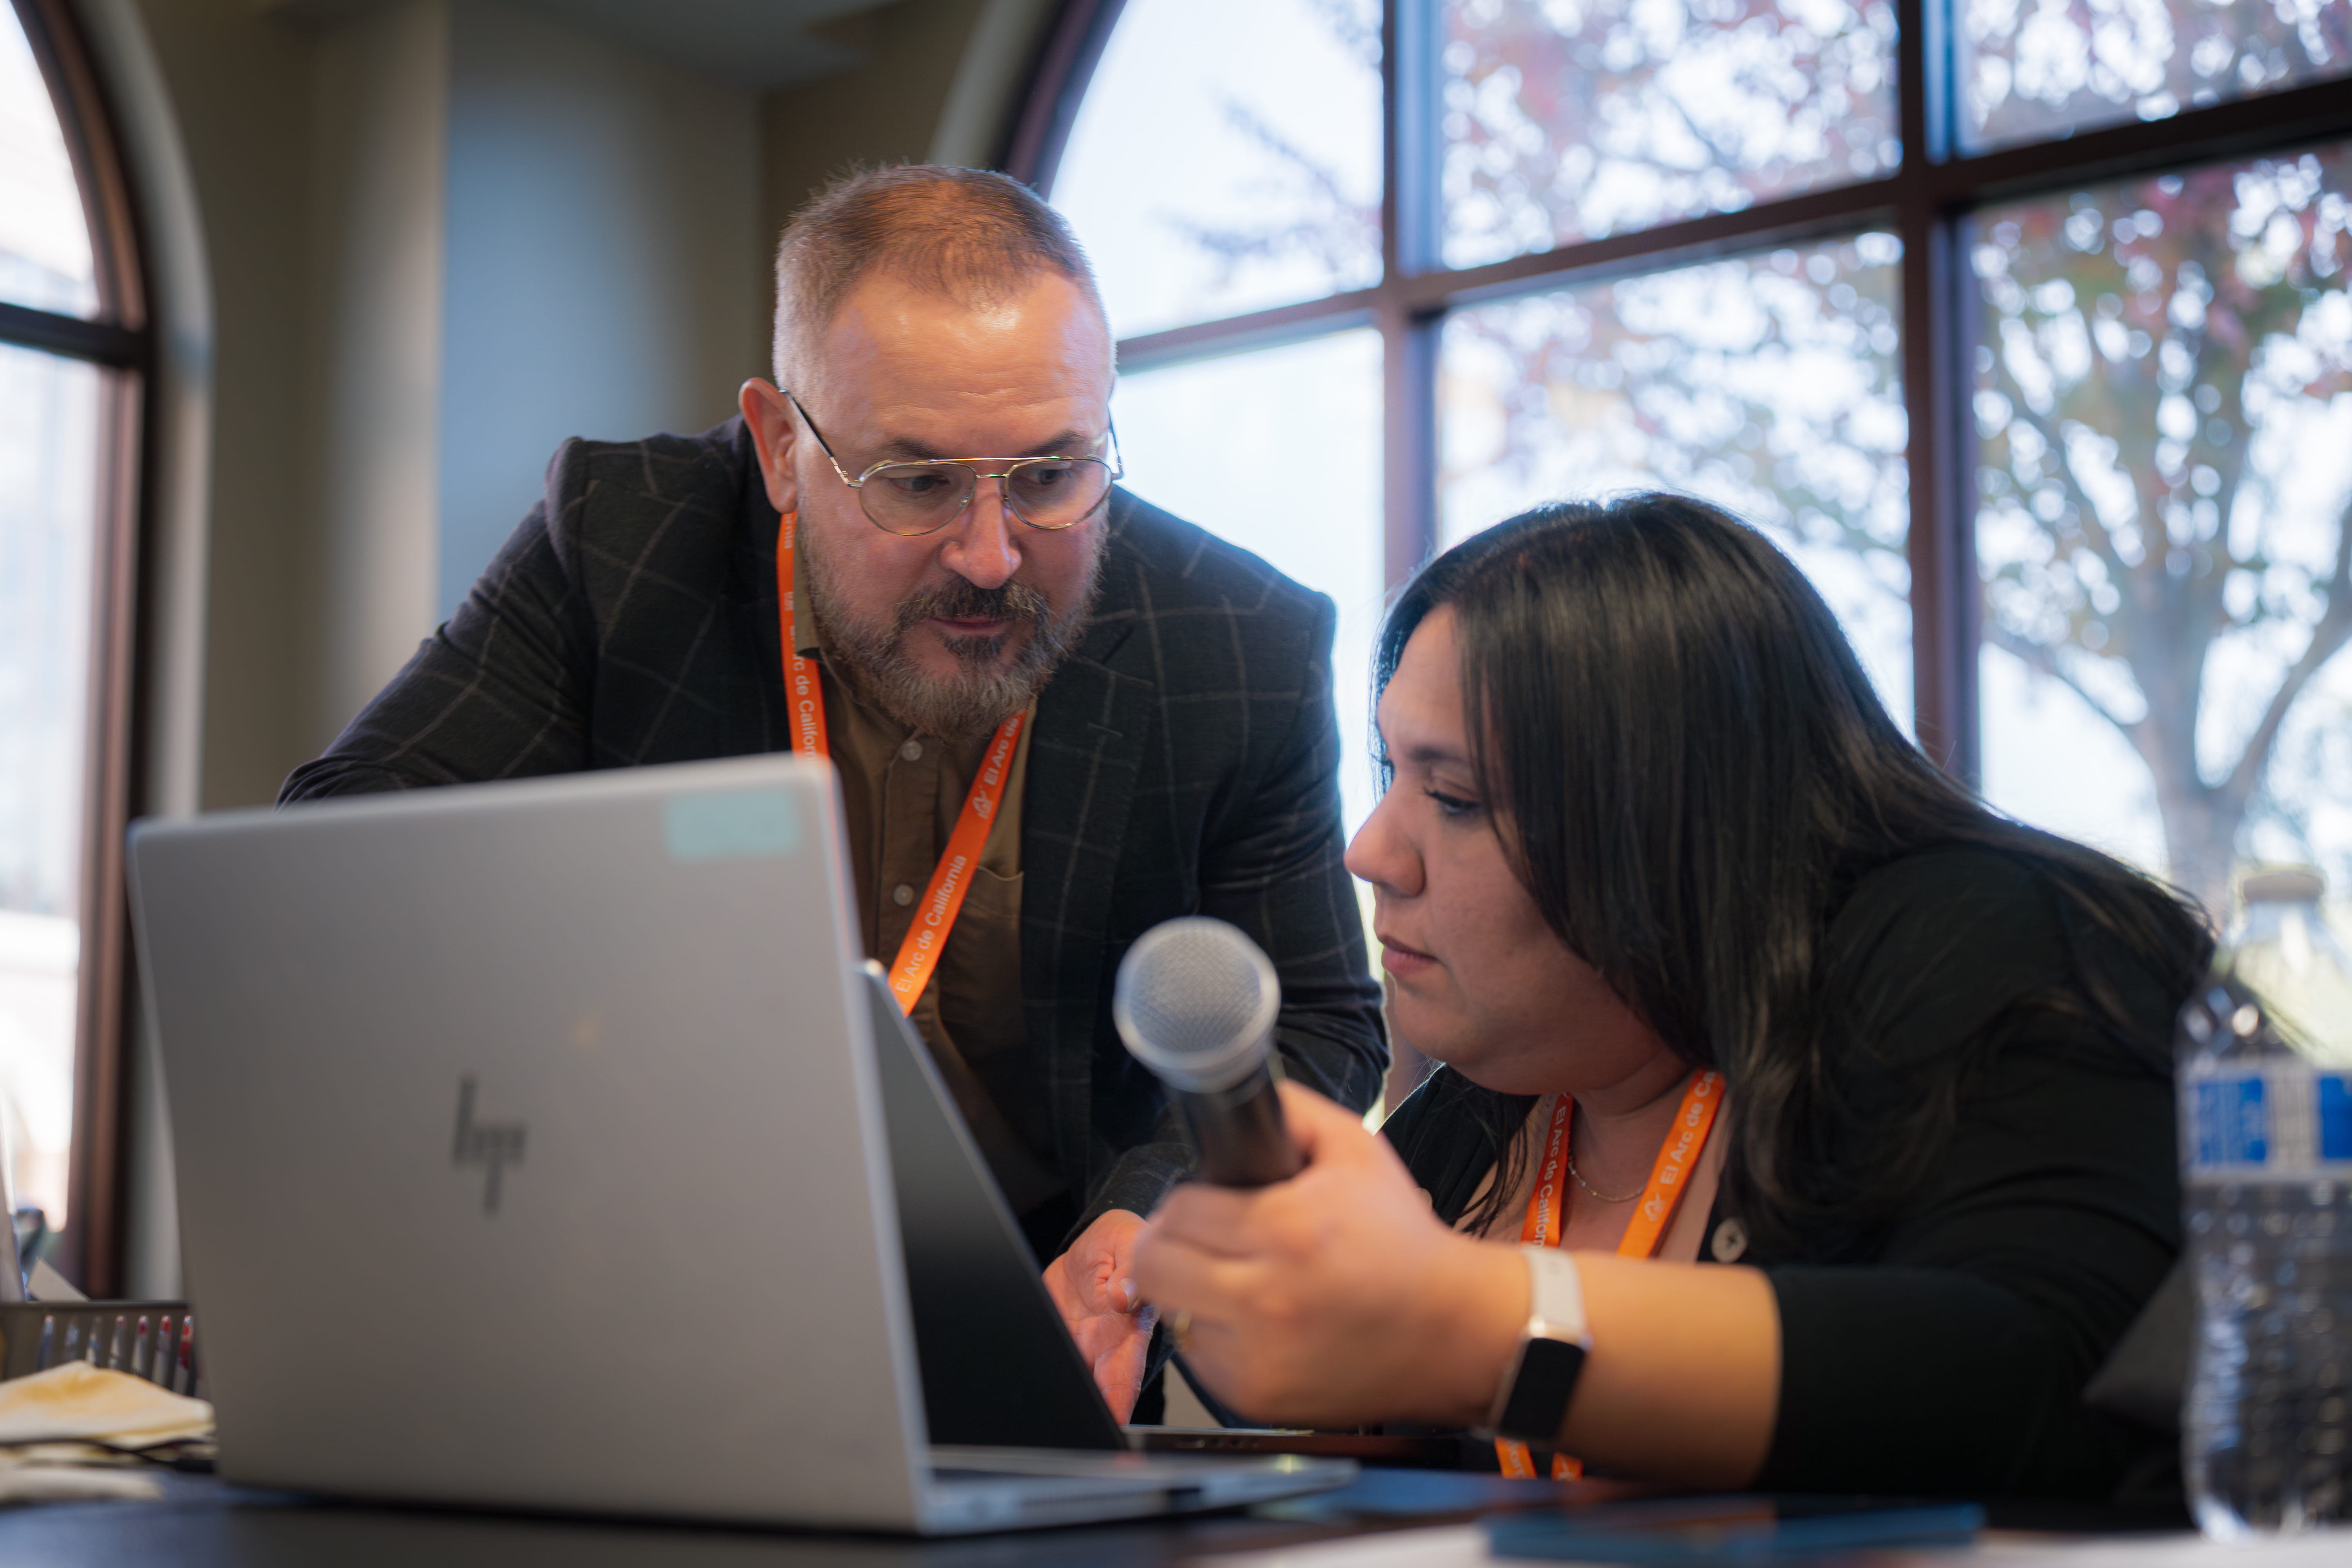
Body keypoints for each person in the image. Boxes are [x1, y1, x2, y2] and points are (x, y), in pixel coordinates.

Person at [280, 166, 1387, 1417]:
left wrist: (1144, 1222)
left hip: (1034, 1333)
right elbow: (344, 858)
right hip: (633, 1303)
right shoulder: (620, 541)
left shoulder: (1237, 643)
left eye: (1050, 475)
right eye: (914, 483)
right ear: (778, 447)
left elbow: (1320, 1025)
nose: (989, 554)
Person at [1134, 494, 2210, 1497]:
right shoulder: (1489, 1110)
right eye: (1391, 775)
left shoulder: (1989, 940)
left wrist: (1467, 1325)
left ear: (1668, 822)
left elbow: (2044, 1377)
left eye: (1455, 798)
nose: (1371, 852)